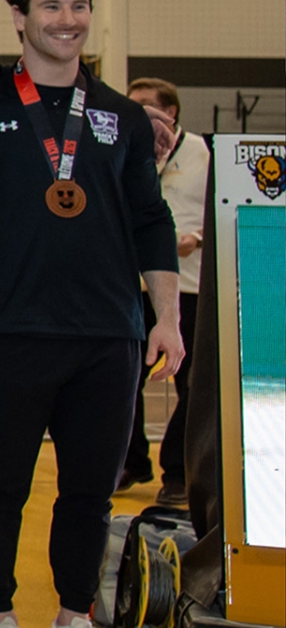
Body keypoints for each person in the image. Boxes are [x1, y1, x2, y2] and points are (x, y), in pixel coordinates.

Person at [0, 0, 181, 628]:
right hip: (14, 324)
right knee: (3, 481)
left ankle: (73, 623)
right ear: (19, 17)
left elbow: (150, 220)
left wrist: (167, 318)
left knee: (91, 487)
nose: (67, 20)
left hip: (107, 333)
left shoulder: (117, 115)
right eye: (50, 6)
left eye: (78, 7)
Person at [121, 76, 205, 503]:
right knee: (124, 378)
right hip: (131, 285)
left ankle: (178, 471)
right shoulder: (128, 146)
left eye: (144, 106)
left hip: (186, 287)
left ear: (170, 112)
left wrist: (198, 238)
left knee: (191, 383)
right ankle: (131, 461)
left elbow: (227, 209)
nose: (134, 113)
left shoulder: (203, 154)